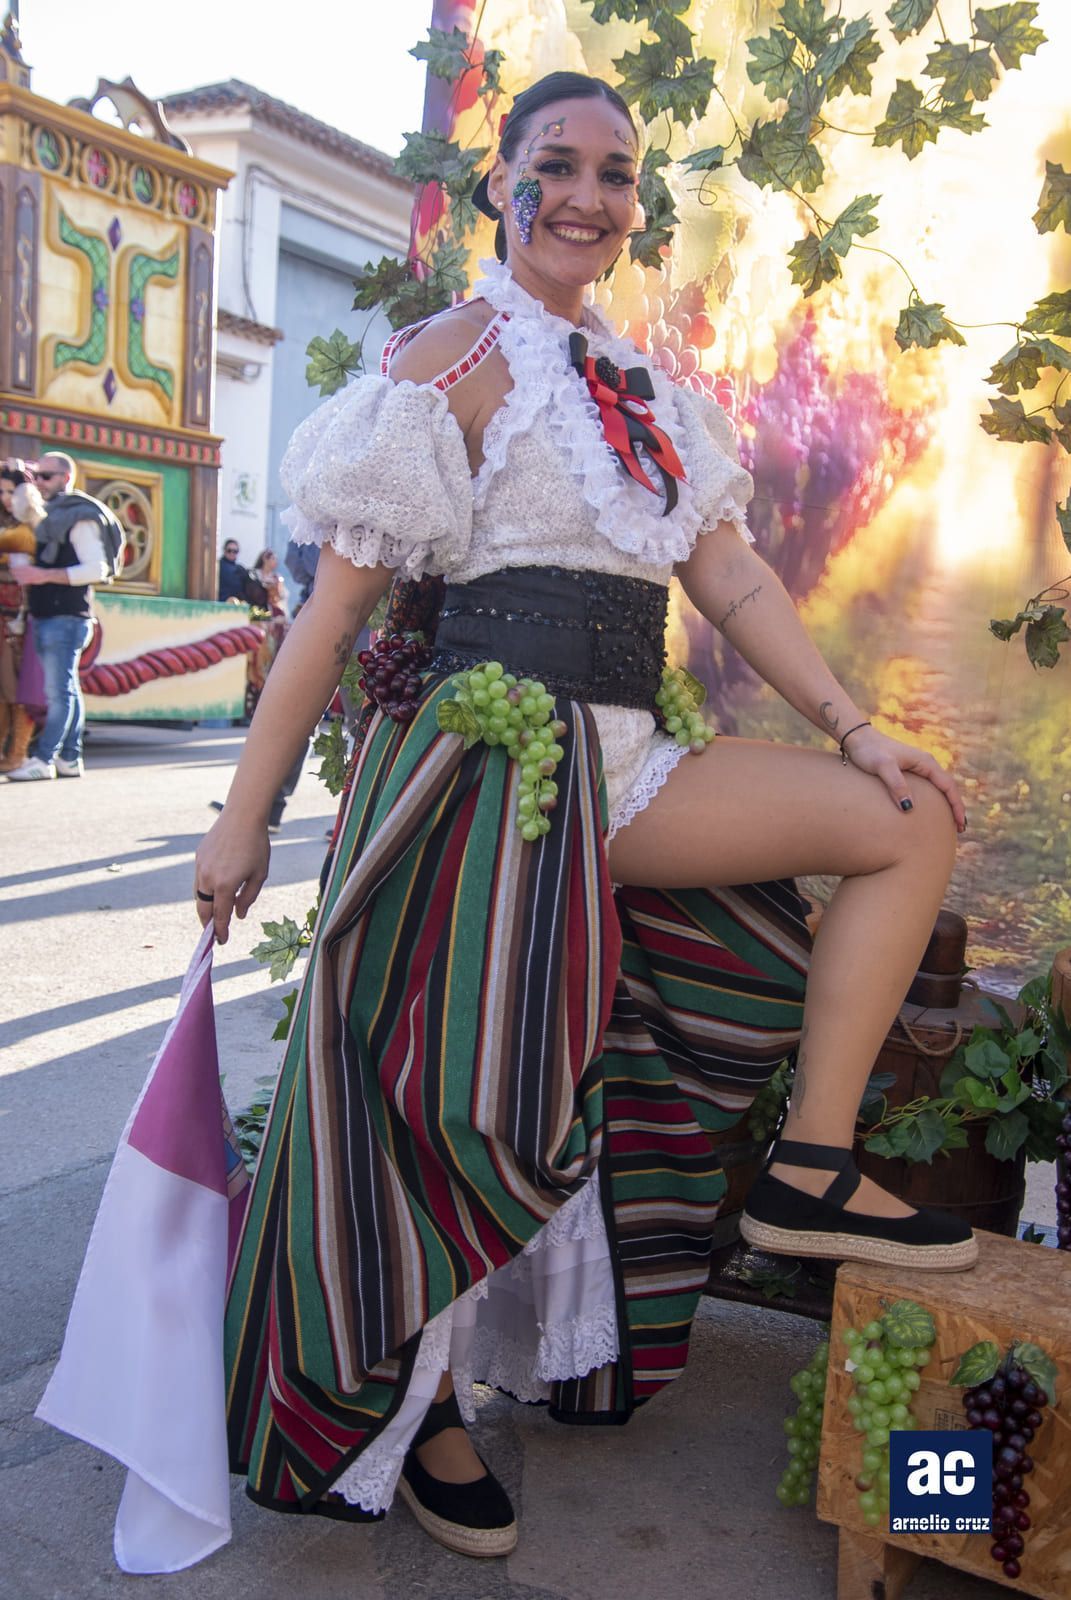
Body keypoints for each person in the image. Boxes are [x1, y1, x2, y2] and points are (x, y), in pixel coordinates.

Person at [194, 73, 972, 1561]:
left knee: (905, 817)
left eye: (616, 174)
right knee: (450, 1106)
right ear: (500, 181)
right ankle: (409, 1403)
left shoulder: (647, 385)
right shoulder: (454, 358)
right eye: (557, 164)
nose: (588, 196)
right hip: (486, 774)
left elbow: (730, 582)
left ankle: (808, 1167)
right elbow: (331, 617)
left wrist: (857, 726)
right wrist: (245, 820)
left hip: (629, 759)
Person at [6, 453, 111, 781]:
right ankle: (69, 757)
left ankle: (43, 758)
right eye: (35, 475)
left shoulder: (79, 514)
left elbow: (97, 568)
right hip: (50, 614)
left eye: (45, 476)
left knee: (58, 691)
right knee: (68, 688)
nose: (38, 481)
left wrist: (42, 576)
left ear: (65, 478)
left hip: (67, 617)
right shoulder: (48, 515)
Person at [0, 464, 41, 772]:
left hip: (21, 619)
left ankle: (17, 754)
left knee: (18, 691)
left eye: (10, 492)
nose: (5, 498)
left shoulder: (31, 526)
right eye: (1, 492)